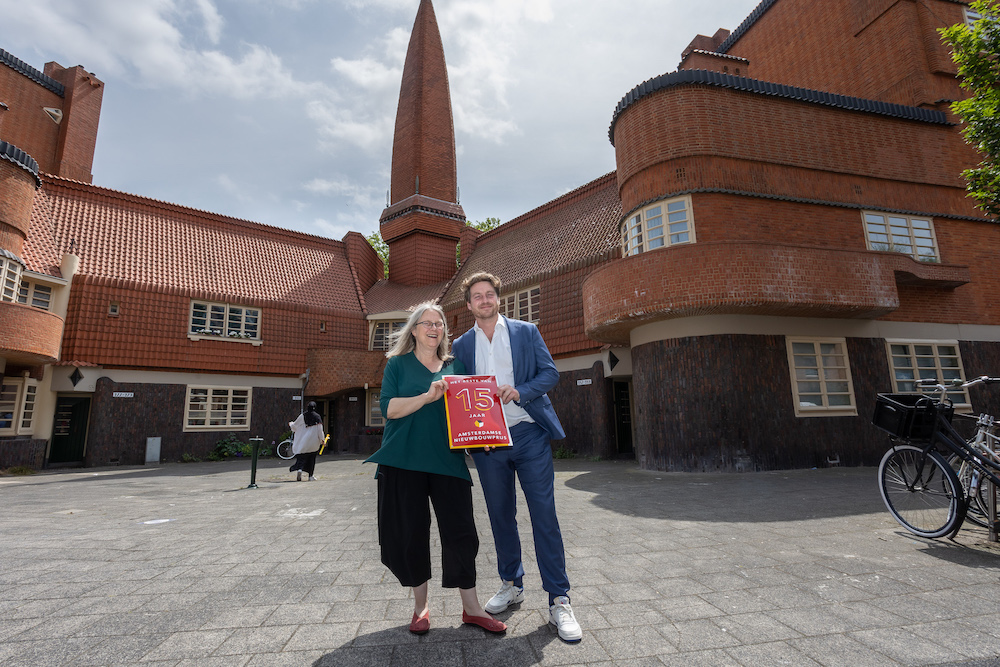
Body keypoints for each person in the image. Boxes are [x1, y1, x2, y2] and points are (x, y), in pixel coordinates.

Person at [452, 272, 583, 643]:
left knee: (544, 515)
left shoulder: (526, 332)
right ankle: (511, 583)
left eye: (489, 294)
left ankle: (559, 599)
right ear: (469, 305)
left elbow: (550, 373)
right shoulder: (461, 345)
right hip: (488, 442)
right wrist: (470, 431)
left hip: (528, 434)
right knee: (500, 516)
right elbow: (459, 394)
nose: (484, 300)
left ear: (498, 298)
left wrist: (521, 391)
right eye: (477, 296)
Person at [365, 302, 506, 636]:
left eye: (439, 323)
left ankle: (472, 609)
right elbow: (389, 409)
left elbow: (470, 413)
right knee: (412, 534)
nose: (434, 328)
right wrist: (427, 397)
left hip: (447, 463)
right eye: (426, 323)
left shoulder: (456, 367)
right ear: (414, 330)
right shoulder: (397, 364)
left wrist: (485, 435)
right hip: (403, 462)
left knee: (462, 534)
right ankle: (421, 608)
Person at [288, 401, 324, 481]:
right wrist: (322, 440)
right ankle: (310, 476)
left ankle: (300, 469)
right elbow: (320, 430)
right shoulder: (317, 417)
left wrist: (291, 424)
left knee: (302, 458)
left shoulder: (302, 416)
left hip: (303, 442)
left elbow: (295, 426)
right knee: (312, 459)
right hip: (314, 443)